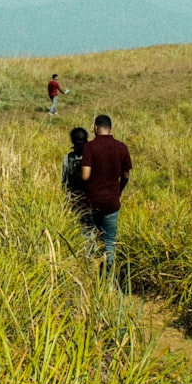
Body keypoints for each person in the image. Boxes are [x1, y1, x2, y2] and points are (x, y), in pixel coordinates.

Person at [81, 115, 132, 274]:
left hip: (92, 201)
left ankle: (89, 273)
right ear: (110, 128)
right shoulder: (121, 147)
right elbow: (125, 175)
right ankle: (107, 277)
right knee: (110, 240)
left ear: (95, 127)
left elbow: (85, 176)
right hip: (112, 202)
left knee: (89, 238)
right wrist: (119, 191)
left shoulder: (89, 147)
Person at [62, 127, 92, 227]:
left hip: (76, 199)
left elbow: (64, 182)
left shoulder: (68, 158)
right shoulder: (92, 156)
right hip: (87, 199)